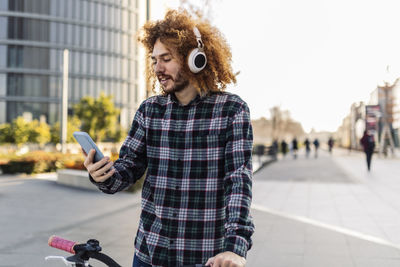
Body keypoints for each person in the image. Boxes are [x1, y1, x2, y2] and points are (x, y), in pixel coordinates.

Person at [83, 9, 254, 267]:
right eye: (154, 60)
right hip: (148, 255)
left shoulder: (232, 110)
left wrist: (235, 248)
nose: (158, 68)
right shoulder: (149, 110)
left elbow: (238, 181)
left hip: (204, 258)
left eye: (166, 58)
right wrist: (103, 175)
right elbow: (127, 170)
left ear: (195, 59)